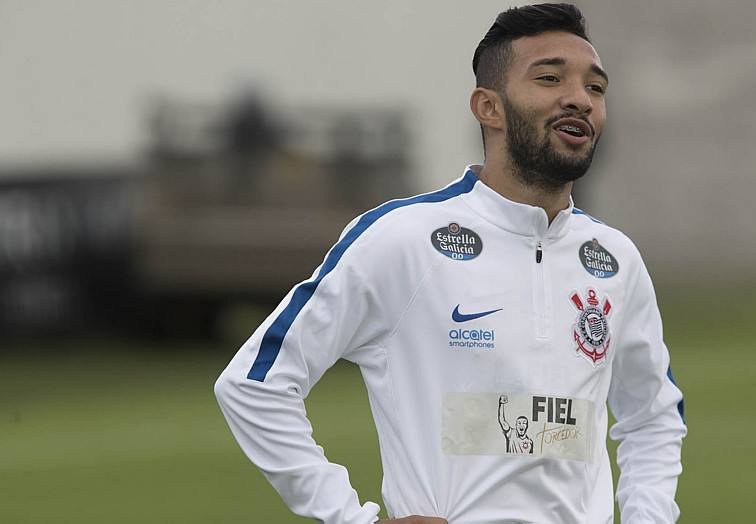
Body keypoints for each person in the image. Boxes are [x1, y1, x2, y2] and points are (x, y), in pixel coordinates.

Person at [215, 4, 686, 523]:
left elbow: (653, 416)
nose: (579, 98)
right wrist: (352, 517)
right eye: (550, 78)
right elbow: (253, 385)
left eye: (595, 88)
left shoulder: (614, 259)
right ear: (489, 107)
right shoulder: (404, 239)